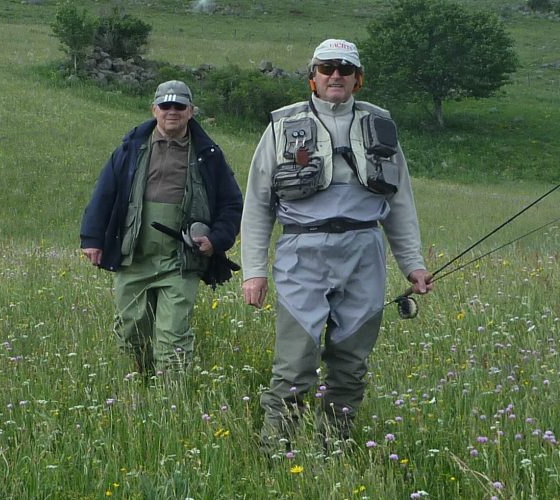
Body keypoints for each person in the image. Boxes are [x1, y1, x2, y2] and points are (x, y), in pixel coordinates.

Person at [239, 39, 433, 452]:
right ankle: (275, 452)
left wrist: (413, 264)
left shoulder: (381, 126)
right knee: (295, 365)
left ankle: (334, 450)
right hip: (302, 252)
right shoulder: (281, 126)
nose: (336, 75)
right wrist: (253, 272)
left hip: (365, 252)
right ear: (313, 77)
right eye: (327, 68)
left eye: (346, 69)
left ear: (358, 79)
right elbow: (257, 203)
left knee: (351, 365)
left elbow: (400, 202)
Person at [80, 80, 243, 377]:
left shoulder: (208, 155)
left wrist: (217, 240)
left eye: (179, 106)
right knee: (131, 331)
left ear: (191, 111)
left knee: (173, 337)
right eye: (165, 105)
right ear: (154, 109)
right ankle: (137, 388)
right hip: (134, 257)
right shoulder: (130, 149)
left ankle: (171, 395)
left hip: (180, 262)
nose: (172, 111)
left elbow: (231, 204)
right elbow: (104, 192)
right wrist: (93, 238)